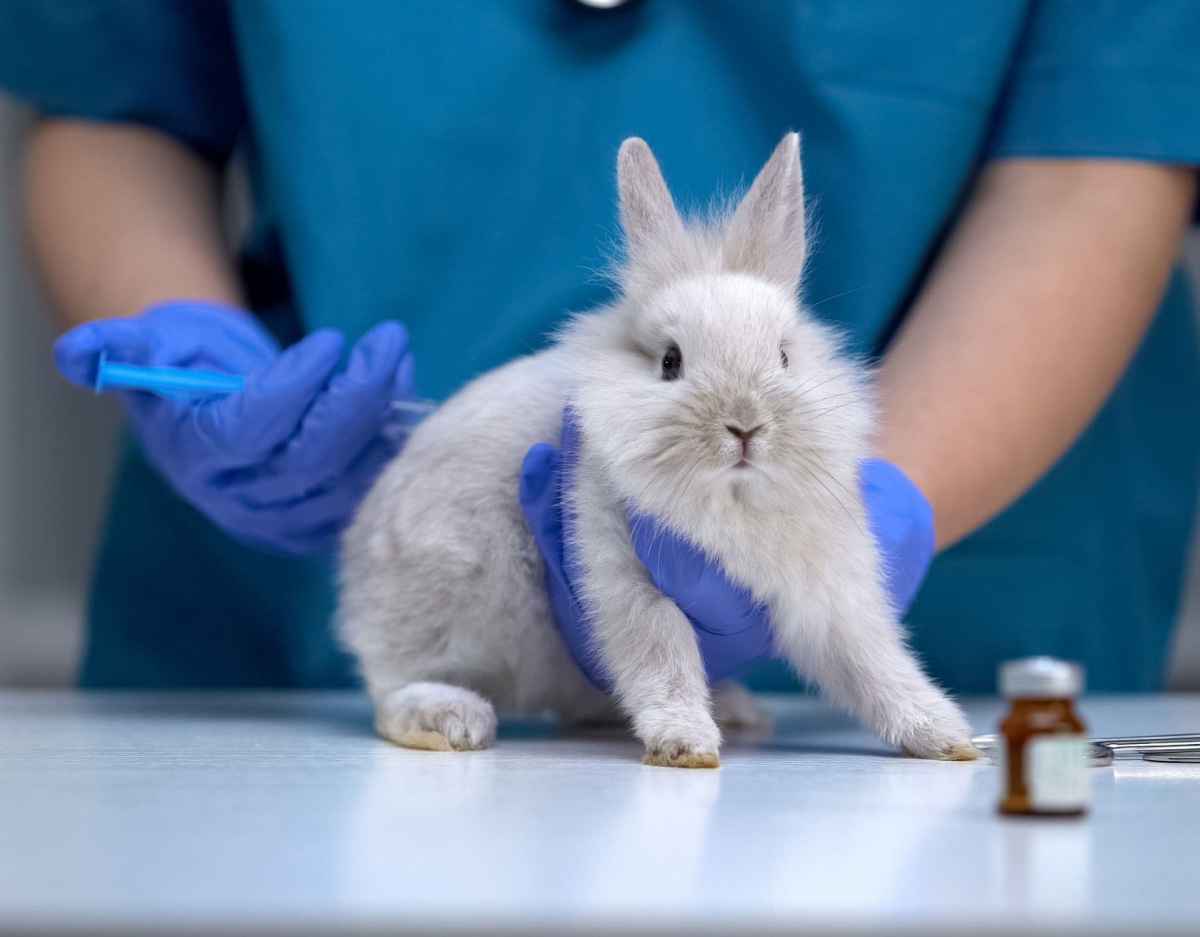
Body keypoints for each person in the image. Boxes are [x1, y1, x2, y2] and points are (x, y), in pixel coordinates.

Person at [1, 2, 1196, 693]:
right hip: (282, 639)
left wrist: (859, 511)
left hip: (983, 576)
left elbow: (1097, 155)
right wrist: (190, 343)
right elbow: (114, 93)